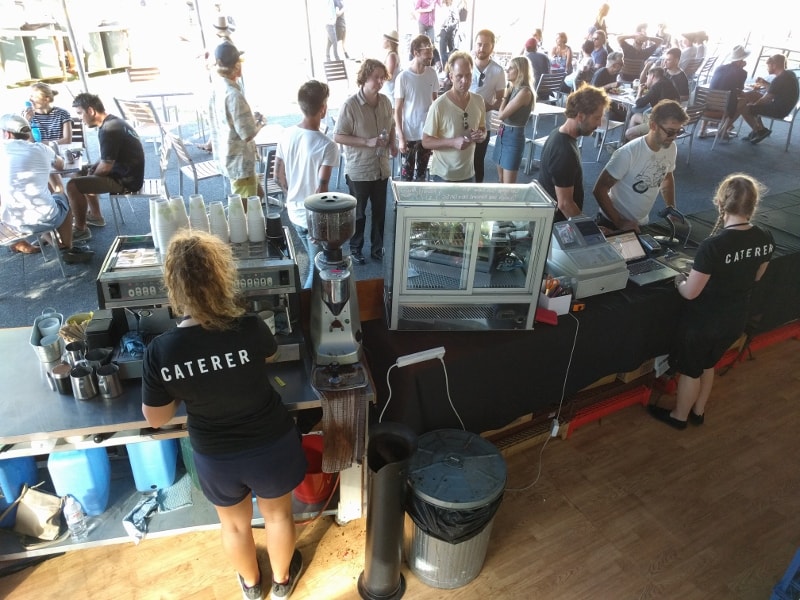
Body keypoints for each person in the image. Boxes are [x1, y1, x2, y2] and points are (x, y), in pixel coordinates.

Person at [141, 230, 306, 600]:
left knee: (233, 526)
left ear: (174, 286)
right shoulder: (249, 326)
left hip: (216, 454)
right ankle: (281, 582)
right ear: (222, 277)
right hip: (270, 444)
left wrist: (188, 386)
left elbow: (155, 417)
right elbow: (268, 357)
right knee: (278, 516)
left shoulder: (161, 351)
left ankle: (251, 586)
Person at [649, 174, 773, 429]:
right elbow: (757, 276)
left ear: (720, 203)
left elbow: (691, 293)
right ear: (753, 205)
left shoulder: (714, 245)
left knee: (691, 370)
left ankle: (679, 417)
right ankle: (698, 411)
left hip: (705, 322)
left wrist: (679, 282)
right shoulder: (765, 237)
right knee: (708, 364)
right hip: (735, 318)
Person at [0, 114, 93, 263]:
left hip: (10, 224)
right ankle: (66, 247)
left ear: (7, 133)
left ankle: (46, 238)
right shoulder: (41, 149)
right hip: (44, 218)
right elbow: (61, 165)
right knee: (62, 199)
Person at [275, 81, 340, 289]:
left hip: (294, 214)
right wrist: (317, 224)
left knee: (315, 265)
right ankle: (305, 313)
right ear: (323, 108)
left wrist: (291, 196)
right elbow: (322, 190)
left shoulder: (285, 134)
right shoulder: (327, 145)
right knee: (319, 271)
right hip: (312, 219)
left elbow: (278, 176)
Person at [593, 99, 688, 232]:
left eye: (679, 131)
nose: (674, 137)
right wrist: (619, 222)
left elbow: (666, 178)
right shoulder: (628, 153)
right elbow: (599, 189)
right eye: (671, 132)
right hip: (611, 222)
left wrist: (671, 208)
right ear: (653, 125)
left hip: (640, 223)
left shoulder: (670, 148)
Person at [334, 58, 395, 264]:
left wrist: (393, 143)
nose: (379, 82)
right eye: (375, 77)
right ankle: (355, 248)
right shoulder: (350, 106)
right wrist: (366, 141)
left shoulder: (386, 102)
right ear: (364, 78)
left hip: (381, 168)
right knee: (358, 214)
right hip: (359, 169)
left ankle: (377, 249)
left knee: (379, 213)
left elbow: (392, 124)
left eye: (382, 78)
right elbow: (339, 136)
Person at [66, 93, 144, 241]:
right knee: (79, 171)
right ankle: (95, 216)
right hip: (127, 173)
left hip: (126, 181)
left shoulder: (109, 130)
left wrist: (92, 175)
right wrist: (93, 168)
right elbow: (108, 157)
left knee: (72, 186)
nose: (80, 119)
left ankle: (80, 229)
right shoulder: (113, 122)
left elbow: (106, 168)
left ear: (90, 111)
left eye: (80, 113)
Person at [537, 86, 608, 221]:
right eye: (597, 118)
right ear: (580, 116)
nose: (599, 124)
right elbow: (565, 204)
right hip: (558, 226)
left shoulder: (558, 133)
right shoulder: (564, 152)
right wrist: (589, 231)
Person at [207, 41, 264, 200]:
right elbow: (248, 134)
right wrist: (260, 122)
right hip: (240, 162)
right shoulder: (233, 95)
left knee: (258, 195)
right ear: (236, 66)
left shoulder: (217, 88)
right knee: (246, 212)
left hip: (226, 155)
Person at [422, 50, 486, 182]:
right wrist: (452, 142)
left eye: (468, 75)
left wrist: (481, 136)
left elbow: (482, 129)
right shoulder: (439, 105)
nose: (465, 81)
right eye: (459, 76)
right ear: (451, 77)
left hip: (468, 173)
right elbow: (426, 141)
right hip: (443, 175)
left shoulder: (479, 101)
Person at [394, 35, 439, 182]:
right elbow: (398, 110)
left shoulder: (432, 74)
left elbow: (435, 102)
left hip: (427, 132)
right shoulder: (403, 77)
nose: (431, 55)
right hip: (409, 133)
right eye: (427, 51)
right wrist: (401, 137)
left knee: (422, 174)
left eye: (431, 50)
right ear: (416, 52)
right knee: (406, 176)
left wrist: (437, 129)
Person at [735, 54, 799, 145]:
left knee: (745, 108)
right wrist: (764, 83)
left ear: (774, 65)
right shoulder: (788, 74)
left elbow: (766, 99)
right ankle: (757, 130)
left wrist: (753, 105)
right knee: (754, 95)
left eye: (768, 66)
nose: (767, 68)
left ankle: (760, 131)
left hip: (779, 110)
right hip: (785, 107)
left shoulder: (779, 79)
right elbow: (775, 90)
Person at [470, 29, 505, 182]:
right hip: (461, 121)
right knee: (460, 161)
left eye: (486, 45)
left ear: (492, 47)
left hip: (484, 124)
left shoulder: (498, 71)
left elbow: (500, 101)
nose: (481, 49)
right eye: (479, 44)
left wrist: (486, 107)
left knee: (478, 161)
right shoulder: (466, 65)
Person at [24, 82, 73, 192]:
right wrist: (26, 123)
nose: (30, 99)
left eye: (34, 96)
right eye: (30, 96)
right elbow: (30, 143)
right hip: (41, 157)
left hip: (59, 154)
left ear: (46, 99)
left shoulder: (62, 113)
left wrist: (42, 144)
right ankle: (61, 201)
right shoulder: (27, 116)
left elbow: (67, 139)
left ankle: (62, 202)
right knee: (46, 169)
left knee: (50, 169)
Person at [493, 56, 535, 184]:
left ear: (520, 71)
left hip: (513, 137)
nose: (507, 70)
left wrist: (505, 96)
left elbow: (501, 115)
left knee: (509, 187)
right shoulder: (513, 88)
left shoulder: (525, 92)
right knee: (501, 179)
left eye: (511, 68)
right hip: (503, 133)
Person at [703, 45, 750, 138]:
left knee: (714, 94)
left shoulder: (719, 68)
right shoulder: (742, 73)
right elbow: (739, 89)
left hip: (708, 104)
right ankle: (723, 130)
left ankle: (702, 130)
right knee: (744, 102)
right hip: (724, 108)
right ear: (741, 60)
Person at [624, 67, 680, 141]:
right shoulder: (669, 82)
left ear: (652, 76)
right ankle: (627, 146)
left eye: (647, 78)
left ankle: (650, 145)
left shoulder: (657, 86)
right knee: (635, 117)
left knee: (629, 133)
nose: (647, 80)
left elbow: (639, 103)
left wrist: (639, 91)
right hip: (672, 120)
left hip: (661, 123)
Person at [436, 0, 459, 66]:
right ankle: (452, 66)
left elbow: (455, 20)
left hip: (445, 30)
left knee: (443, 52)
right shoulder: (450, 7)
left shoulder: (448, 7)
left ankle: (446, 68)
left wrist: (446, 27)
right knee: (451, 50)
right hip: (449, 30)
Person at [382, 30, 401, 106]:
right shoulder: (393, 54)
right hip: (391, 91)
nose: (382, 41)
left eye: (383, 40)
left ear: (388, 41)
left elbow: (389, 76)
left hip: (391, 91)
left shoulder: (391, 56)